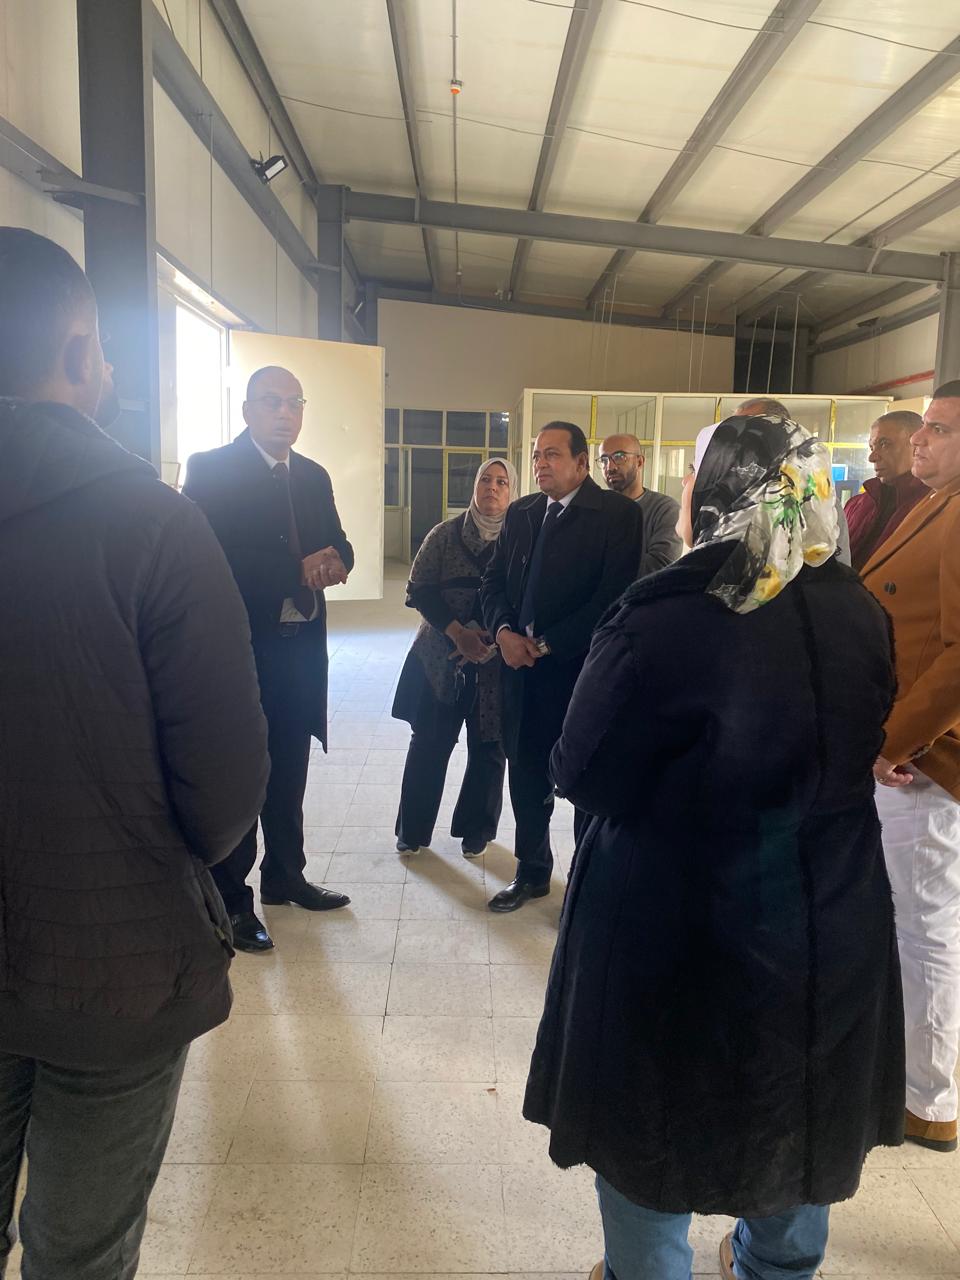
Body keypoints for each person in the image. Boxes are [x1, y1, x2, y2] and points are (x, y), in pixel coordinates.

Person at [524, 413, 904, 1280]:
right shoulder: (858, 609)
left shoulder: (664, 616)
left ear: (713, 494)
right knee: (804, 1095)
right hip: (829, 906)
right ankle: (778, 1268)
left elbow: (582, 770)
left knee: (650, 1110)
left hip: (678, 915)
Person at [0, 228, 269, 1279]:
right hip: (109, 967)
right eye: (104, 349)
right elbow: (225, 792)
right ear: (78, 352)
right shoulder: (154, 524)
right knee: (81, 1252)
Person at [183, 366, 354, 952]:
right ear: (247, 410)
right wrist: (293, 570)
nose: (285, 413)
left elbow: (339, 540)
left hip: (299, 649)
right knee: (243, 774)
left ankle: (286, 877)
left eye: (294, 403)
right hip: (241, 651)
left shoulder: (313, 475)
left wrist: (341, 559)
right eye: (272, 402)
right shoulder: (211, 469)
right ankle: (233, 901)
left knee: (289, 766)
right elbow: (206, 556)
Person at [480, 421, 642, 912]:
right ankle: (532, 873)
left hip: (580, 673)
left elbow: (612, 598)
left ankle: (584, 884)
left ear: (581, 463)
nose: (540, 464)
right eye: (536, 456)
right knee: (525, 772)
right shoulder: (523, 512)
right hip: (519, 669)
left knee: (581, 776)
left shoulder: (616, 515)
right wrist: (503, 634)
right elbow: (492, 582)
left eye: (552, 454)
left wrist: (546, 645)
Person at [865, 380, 960, 1154]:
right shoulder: (935, 503)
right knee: (914, 920)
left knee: (926, 926)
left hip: (926, 761)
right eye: (923, 427)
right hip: (911, 750)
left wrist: (894, 741)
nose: (921, 440)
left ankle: (930, 1099)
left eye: (940, 430)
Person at [392, 459, 518, 856]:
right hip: (439, 658)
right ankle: (412, 830)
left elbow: (529, 595)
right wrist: (458, 634)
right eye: (486, 479)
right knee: (429, 743)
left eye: (502, 482)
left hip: (496, 662)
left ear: (512, 491)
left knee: (489, 747)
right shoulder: (444, 535)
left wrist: (492, 638)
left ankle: (476, 829)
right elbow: (418, 589)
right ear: (474, 486)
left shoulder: (522, 540)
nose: (492, 487)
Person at [735, 396, 852, 566]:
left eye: (749, 430)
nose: (738, 440)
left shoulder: (816, 499)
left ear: (780, 431)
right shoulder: (734, 491)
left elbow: (837, 568)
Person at [844, 410, 927, 571]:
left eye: (884, 444)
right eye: (872, 447)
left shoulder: (934, 507)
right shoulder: (856, 505)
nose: (872, 457)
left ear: (916, 446)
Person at [598, 432, 681, 575]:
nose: (610, 467)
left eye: (619, 457)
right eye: (604, 460)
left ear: (639, 462)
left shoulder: (664, 509)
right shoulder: (594, 508)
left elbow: (658, 568)